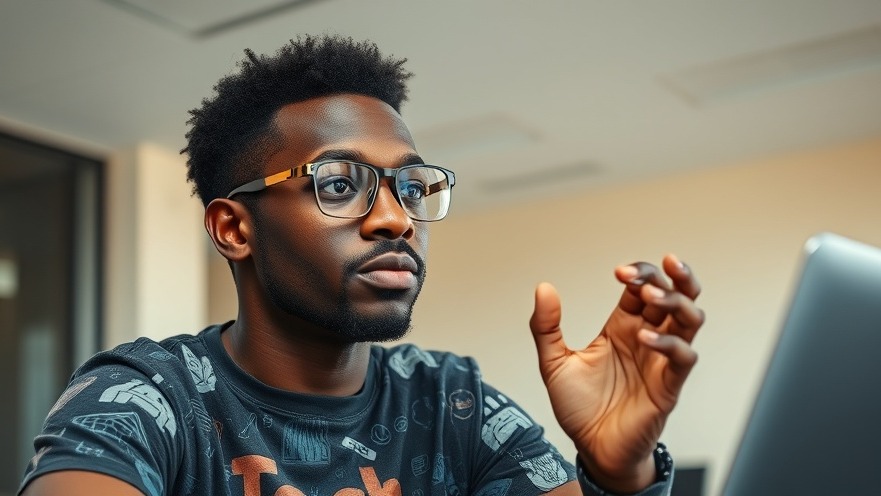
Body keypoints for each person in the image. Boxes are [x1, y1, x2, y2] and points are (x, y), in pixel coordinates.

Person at [19, 35, 703, 496]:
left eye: (410, 187)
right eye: (340, 184)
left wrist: (618, 475)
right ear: (235, 228)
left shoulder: (450, 402)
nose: (395, 218)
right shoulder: (149, 398)